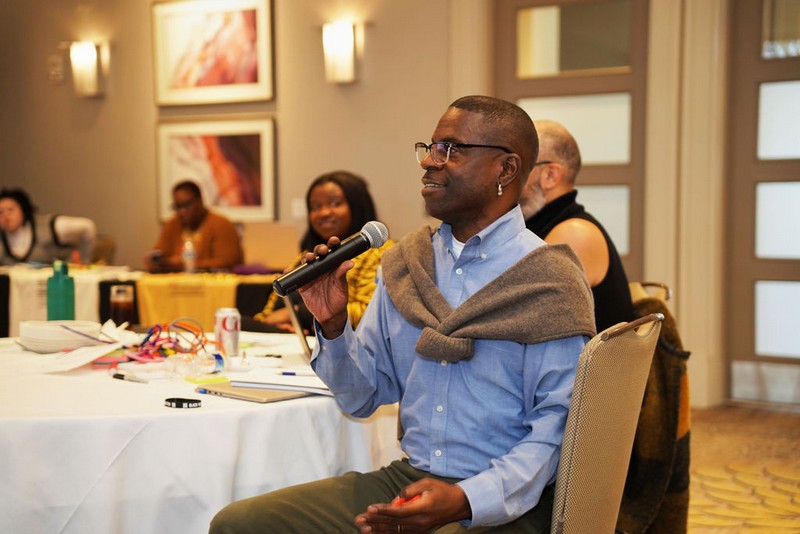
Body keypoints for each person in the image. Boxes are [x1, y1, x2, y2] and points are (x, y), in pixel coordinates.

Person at [210, 96, 596, 533]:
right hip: (411, 479)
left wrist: (466, 499)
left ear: (505, 169)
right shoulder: (408, 266)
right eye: (429, 148)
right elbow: (362, 396)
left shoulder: (549, 280)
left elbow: (556, 431)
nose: (429, 162)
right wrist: (334, 326)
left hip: (513, 499)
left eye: (451, 149)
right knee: (240, 524)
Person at [519, 119, 634, 332]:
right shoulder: (542, 227)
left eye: (517, 164)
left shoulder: (573, 234)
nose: (505, 175)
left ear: (550, 175)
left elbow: (529, 323)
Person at [247, 171, 393, 333]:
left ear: (357, 207)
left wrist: (297, 315)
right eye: (316, 206)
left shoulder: (381, 253)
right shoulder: (308, 255)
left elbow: (371, 313)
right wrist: (274, 325)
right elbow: (270, 314)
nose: (324, 213)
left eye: (335, 204)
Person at [144, 180, 243, 273]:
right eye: (177, 207)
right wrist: (155, 262)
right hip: (176, 283)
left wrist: (185, 265)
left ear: (200, 201)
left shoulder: (221, 224)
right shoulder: (172, 225)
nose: (182, 212)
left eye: (186, 205)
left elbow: (227, 263)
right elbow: (161, 253)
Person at [0, 188, 96, 265]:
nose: (6, 217)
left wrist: (84, 261)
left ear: (23, 209)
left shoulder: (51, 226)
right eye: (0, 212)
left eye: (10, 210)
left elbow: (87, 226)